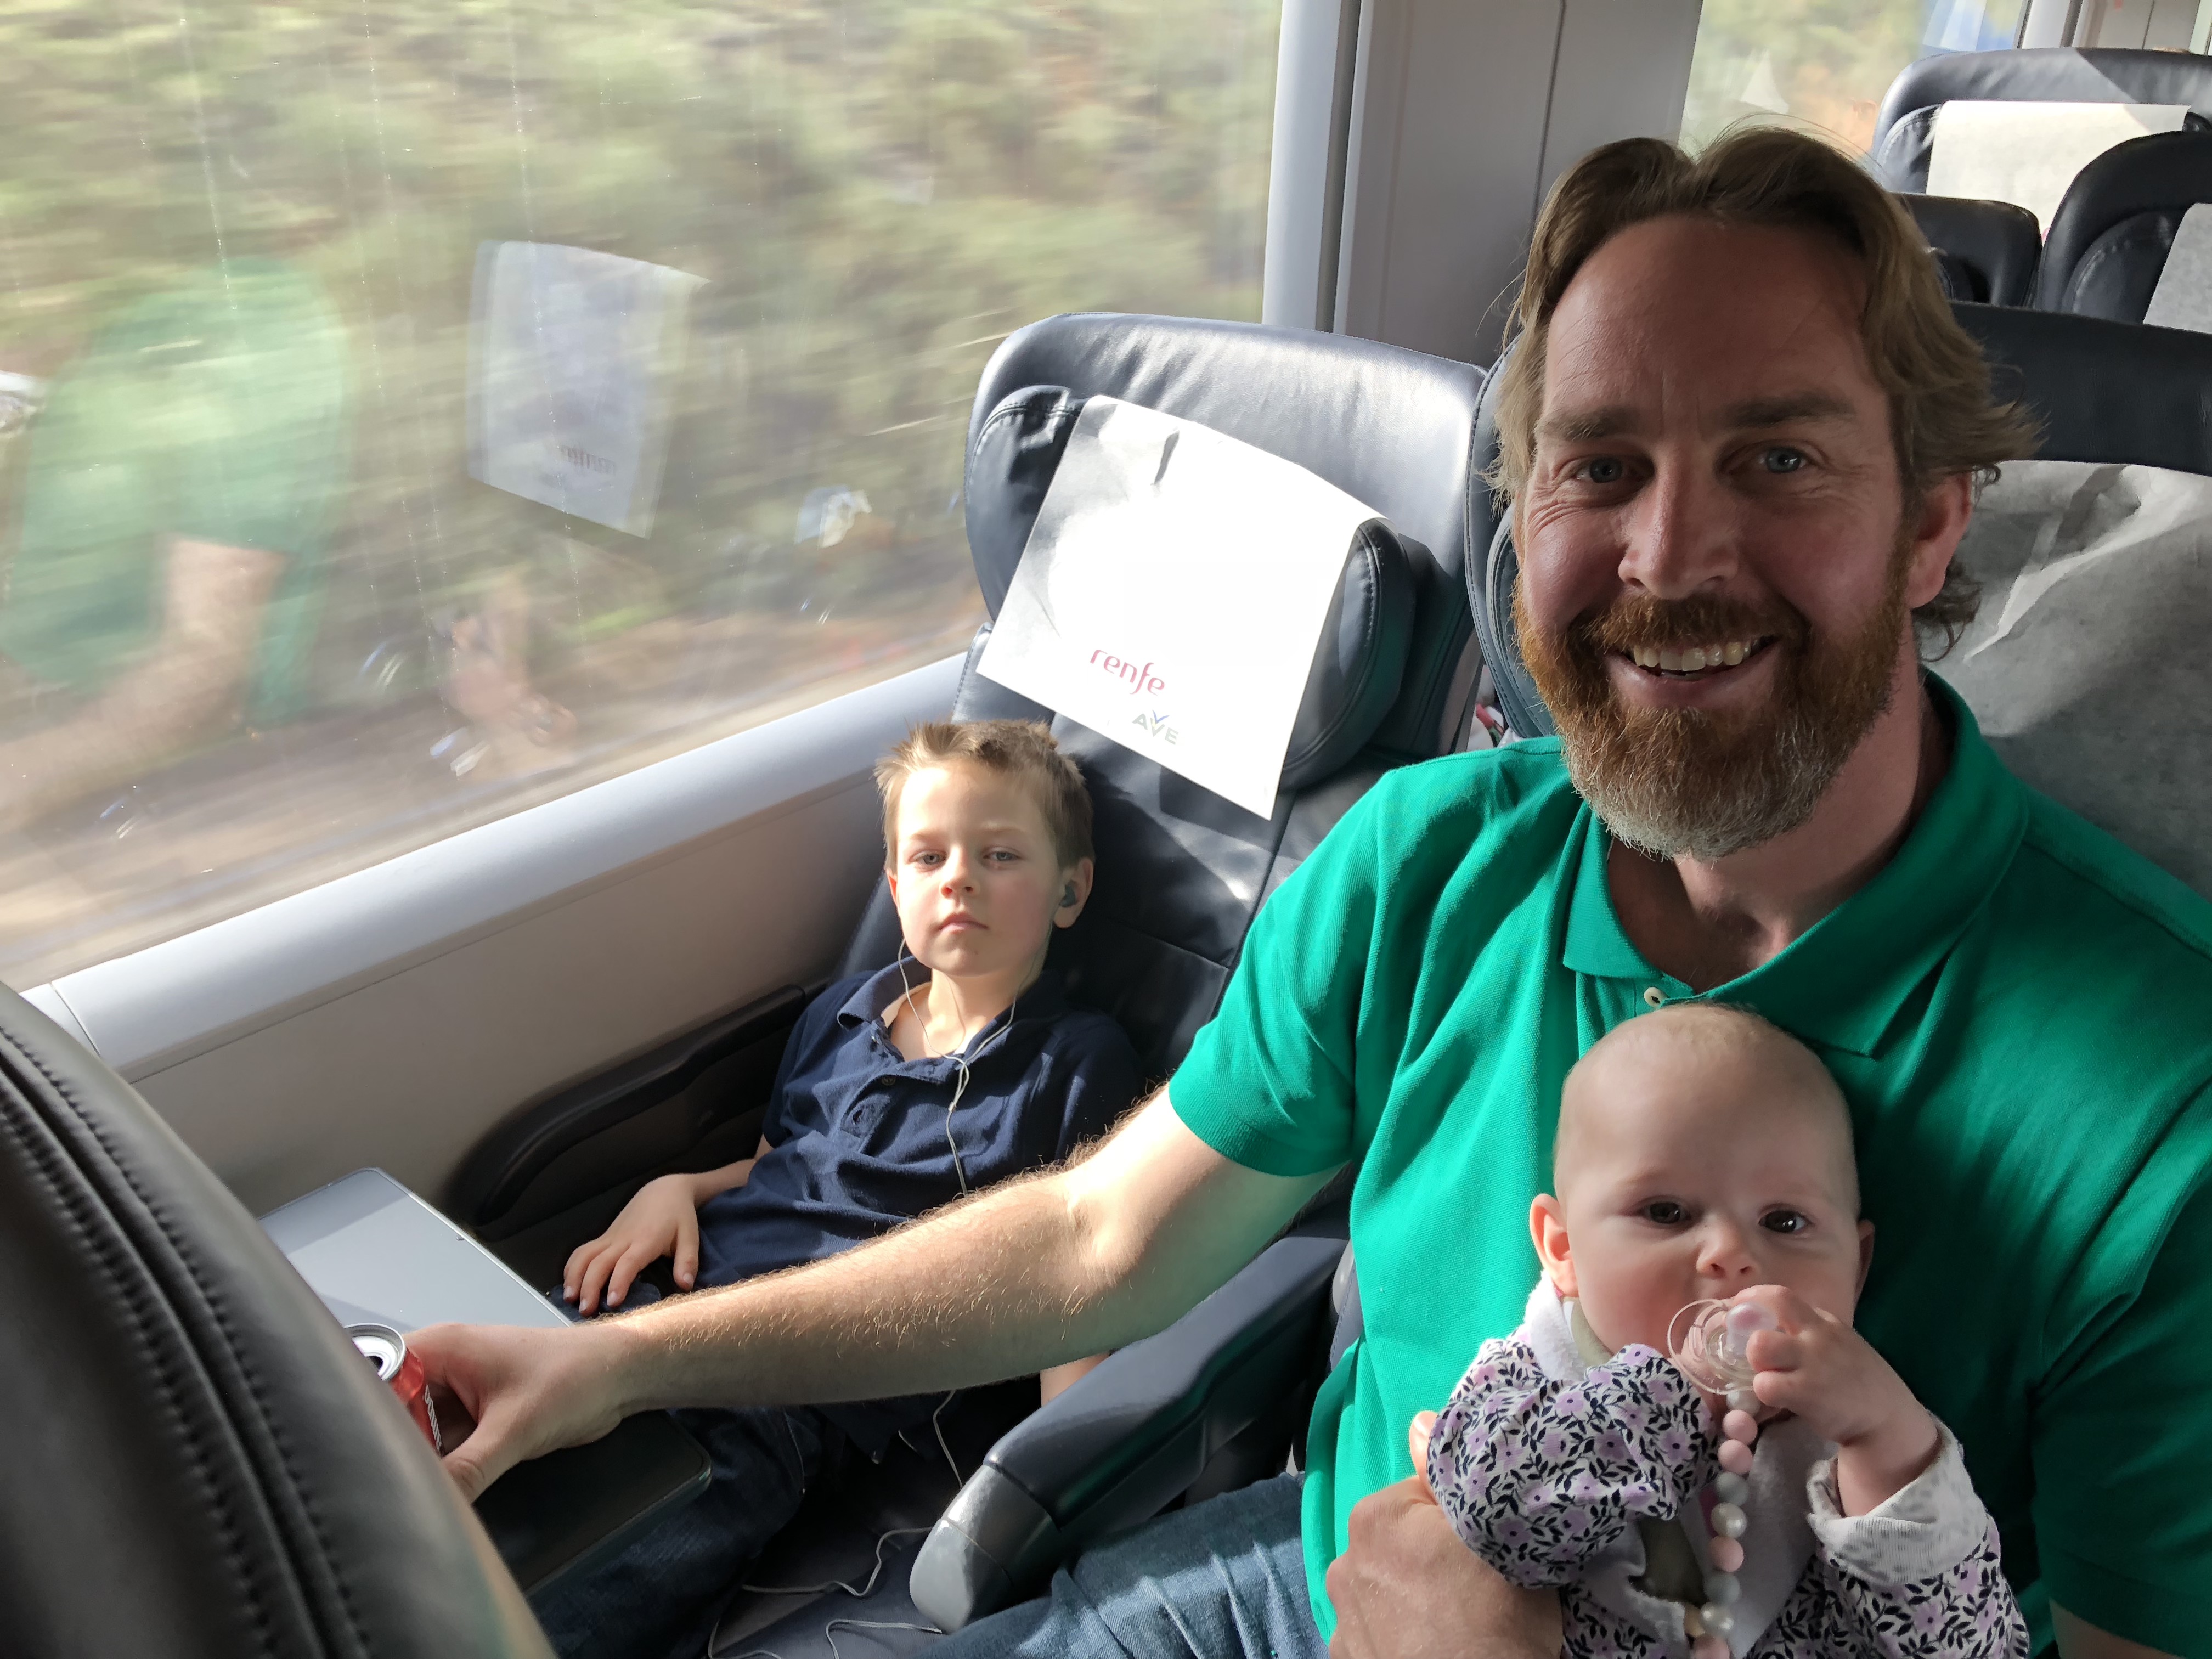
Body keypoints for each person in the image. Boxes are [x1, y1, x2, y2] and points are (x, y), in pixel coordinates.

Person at [411, 126, 2211, 1659]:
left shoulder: (2164, 1103)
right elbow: (1102, 1241)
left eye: (1779, 458)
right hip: (1320, 1580)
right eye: (1601, 467)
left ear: (1931, 522)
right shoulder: (1432, 860)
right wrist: (629, 1367)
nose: (1668, 556)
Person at [528, 716, 1144, 1658]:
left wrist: (1056, 1487)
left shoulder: (1073, 1063)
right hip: (652, 1300)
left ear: (1071, 890)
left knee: (569, 1598)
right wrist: (679, 1186)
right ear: (895, 887)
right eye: (929, 856)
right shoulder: (841, 1014)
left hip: (779, 1389)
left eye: (1000, 854)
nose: (959, 878)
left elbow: (1075, 1272)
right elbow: (779, 1165)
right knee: (429, 1464)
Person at [1422, 1003, 2027, 1657]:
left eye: (1785, 1222)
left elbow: (1977, 1649)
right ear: (1563, 1250)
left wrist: (1889, 1447)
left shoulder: (1852, 1437)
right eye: (1666, 1212)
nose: (1730, 1254)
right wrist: (1677, 1394)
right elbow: (1500, 1518)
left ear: (1855, 1271)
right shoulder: (1525, 1381)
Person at [0, 258, 351, 831]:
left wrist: (20, 774)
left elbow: (202, 672)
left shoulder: (250, 330)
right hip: (39, 709)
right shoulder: (93, 312)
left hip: (158, 770)